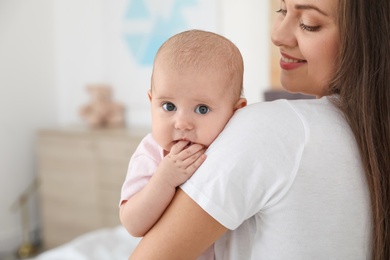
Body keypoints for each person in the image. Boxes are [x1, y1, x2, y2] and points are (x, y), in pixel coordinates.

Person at [129, 0, 390, 259]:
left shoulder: (273, 128)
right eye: (282, 11)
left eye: (309, 24)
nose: (276, 35)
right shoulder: (373, 134)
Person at [119, 29, 247, 259]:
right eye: (168, 106)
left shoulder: (232, 147)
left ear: (236, 111)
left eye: (202, 109)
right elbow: (133, 224)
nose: (182, 123)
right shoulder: (152, 154)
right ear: (151, 102)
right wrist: (165, 179)